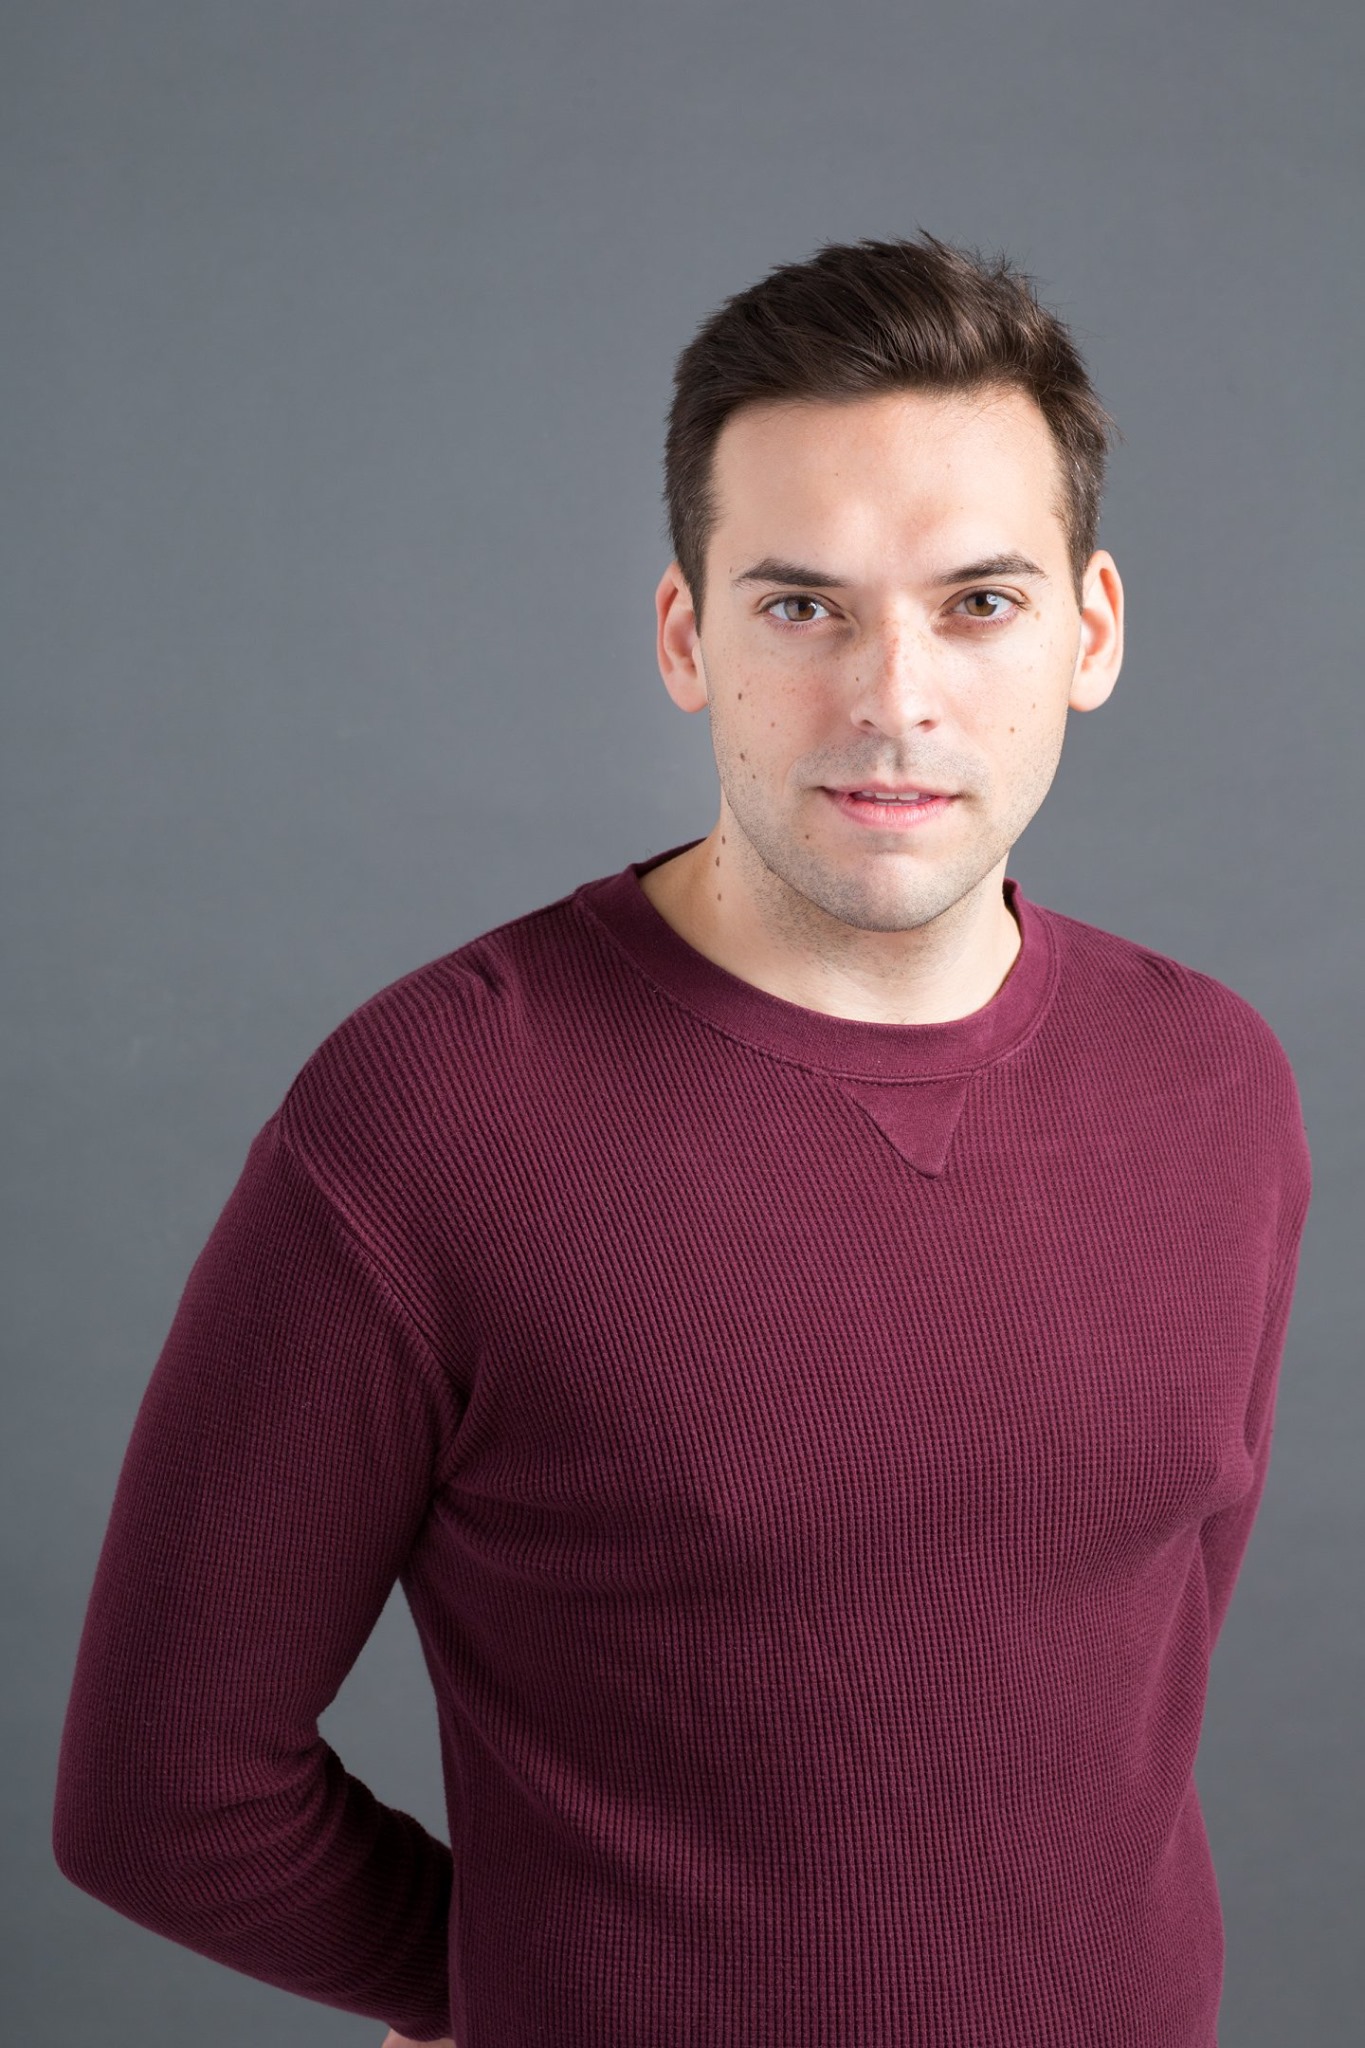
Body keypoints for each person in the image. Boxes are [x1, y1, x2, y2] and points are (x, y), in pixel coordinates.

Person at [53, 234, 1312, 2048]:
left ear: (1090, 630)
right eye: (802, 608)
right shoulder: (434, 1117)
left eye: (977, 602)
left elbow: (1123, 1690)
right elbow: (162, 1795)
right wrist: (494, 1983)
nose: (894, 696)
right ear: (683, 636)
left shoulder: (1213, 1082)